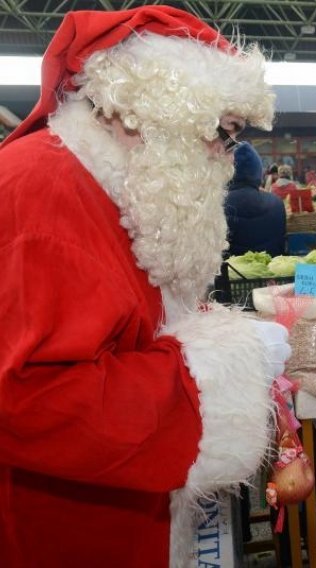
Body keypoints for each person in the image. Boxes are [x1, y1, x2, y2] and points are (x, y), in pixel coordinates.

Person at [0, 7, 292, 567]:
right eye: (221, 135)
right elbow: (33, 398)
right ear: (145, 112)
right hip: (60, 532)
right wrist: (225, 363)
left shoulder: (110, 185)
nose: (223, 159)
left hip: (120, 508)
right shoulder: (40, 190)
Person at [225, 142, 286, 257]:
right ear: (258, 171)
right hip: (270, 272)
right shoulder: (277, 203)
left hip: (230, 273)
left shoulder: (217, 204)